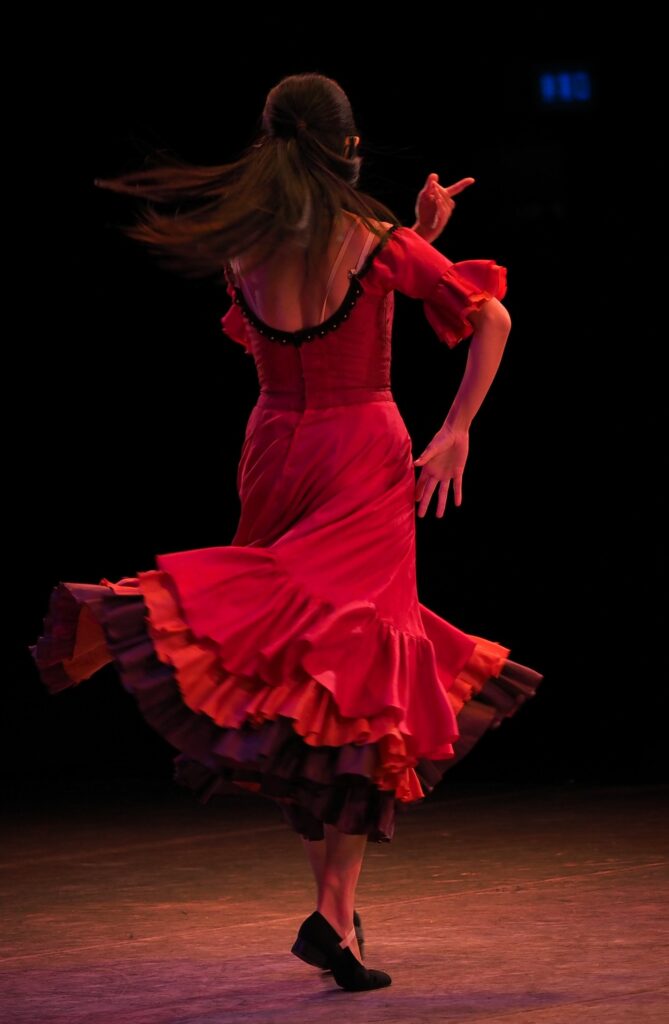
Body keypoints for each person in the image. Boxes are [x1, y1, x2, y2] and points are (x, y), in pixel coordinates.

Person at [28, 72, 544, 992]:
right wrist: (456, 429)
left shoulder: (247, 242)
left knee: (300, 680)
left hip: (273, 445)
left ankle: (335, 920)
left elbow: (306, 320)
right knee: (354, 681)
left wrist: (416, 243)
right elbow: (489, 315)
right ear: (347, 148)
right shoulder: (370, 238)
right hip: (360, 452)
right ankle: (333, 914)